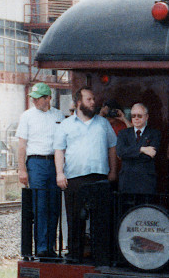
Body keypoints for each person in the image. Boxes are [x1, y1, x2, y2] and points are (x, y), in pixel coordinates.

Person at [54, 87, 118, 256]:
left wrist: (113, 171)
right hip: (74, 179)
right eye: (89, 99)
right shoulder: (66, 125)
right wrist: (60, 173)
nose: (93, 102)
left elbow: (112, 147)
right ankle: (75, 255)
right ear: (78, 103)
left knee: (100, 219)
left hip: (99, 178)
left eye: (93, 99)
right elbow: (59, 150)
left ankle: (100, 256)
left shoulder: (103, 124)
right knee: (75, 219)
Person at [15, 82, 64, 256]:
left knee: (54, 205)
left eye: (38, 99)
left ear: (48, 98)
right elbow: (22, 145)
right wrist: (22, 169)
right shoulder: (27, 116)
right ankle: (42, 247)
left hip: (54, 162)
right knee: (40, 205)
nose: (35, 102)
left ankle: (50, 245)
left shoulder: (58, 115)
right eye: (33, 99)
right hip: (36, 162)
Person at [115, 102, 160, 196]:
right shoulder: (123, 133)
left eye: (139, 116)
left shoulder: (154, 134)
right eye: (133, 115)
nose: (136, 118)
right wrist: (142, 149)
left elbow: (149, 156)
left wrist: (129, 153)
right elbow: (120, 152)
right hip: (127, 182)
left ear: (146, 117)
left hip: (146, 183)